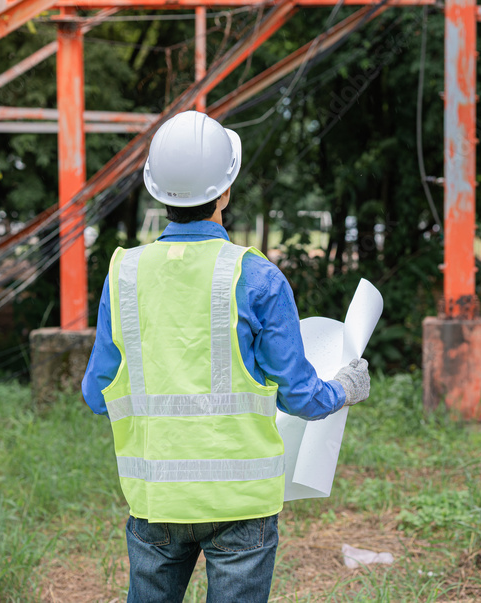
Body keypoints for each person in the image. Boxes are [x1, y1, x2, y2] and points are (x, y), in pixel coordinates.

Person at [81, 110, 370, 602]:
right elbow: (300, 396)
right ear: (226, 190)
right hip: (242, 504)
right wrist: (345, 387)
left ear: (157, 190)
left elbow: (96, 394)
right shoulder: (258, 278)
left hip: (156, 500)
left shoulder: (125, 274)